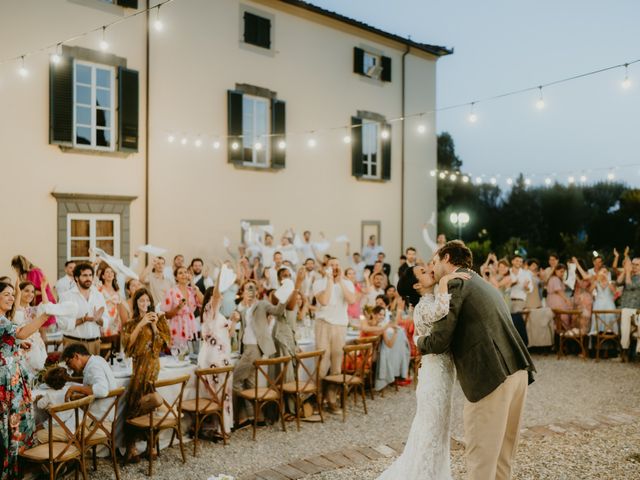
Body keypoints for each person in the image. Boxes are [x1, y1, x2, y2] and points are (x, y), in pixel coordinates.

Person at [414, 241, 535, 480]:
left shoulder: (456, 283)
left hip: (492, 378)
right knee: (501, 459)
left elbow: (439, 341)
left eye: (435, 261)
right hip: (517, 371)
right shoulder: (482, 282)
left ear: (447, 258)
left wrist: (418, 341)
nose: (432, 267)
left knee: (481, 461)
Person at [377, 262, 469, 479]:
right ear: (417, 285)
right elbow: (441, 311)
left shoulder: (430, 299)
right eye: (423, 272)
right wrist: (446, 282)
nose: (430, 270)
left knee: (439, 430)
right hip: (434, 377)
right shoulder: (423, 307)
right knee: (431, 431)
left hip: (443, 374)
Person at [0, 280, 50, 479]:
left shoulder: (3, 318)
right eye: (7, 294)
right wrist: (45, 315)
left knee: (16, 420)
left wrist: (17, 347)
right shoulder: (1, 319)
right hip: (6, 379)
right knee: (10, 421)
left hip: (13, 374)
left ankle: (18, 465)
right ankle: (11, 469)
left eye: (13, 294)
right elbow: (20, 332)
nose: (12, 298)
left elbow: (9, 340)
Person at [121, 288, 171, 462]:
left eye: (146, 301)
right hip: (139, 368)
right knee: (135, 406)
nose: (144, 304)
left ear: (150, 302)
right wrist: (141, 324)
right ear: (136, 303)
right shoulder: (131, 323)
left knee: (153, 409)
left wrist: (155, 326)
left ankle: (151, 446)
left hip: (153, 367)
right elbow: (127, 347)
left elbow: (164, 344)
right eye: (141, 301)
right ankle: (131, 447)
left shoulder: (159, 319)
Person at [232, 280, 285, 424]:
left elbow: (278, 311)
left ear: (257, 291)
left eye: (252, 288)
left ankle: (243, 417)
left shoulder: (262, 304)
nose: (249, 291)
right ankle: (257, 417)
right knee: (250, 383)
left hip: (254, 348)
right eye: (246, 289)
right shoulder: (243, 309)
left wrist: (283, 298)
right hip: (246, 348)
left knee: (235, 381)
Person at [313, 257, 356, 413]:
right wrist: (330, 280)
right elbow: (324, 301)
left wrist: (341, 281)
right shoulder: (318, 283)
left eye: (337, 264)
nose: (335, 267)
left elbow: (351, 300)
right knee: (322, 363)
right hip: (323, 324)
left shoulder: (347, 283)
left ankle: (331, 400)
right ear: (326, 267)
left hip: (340, 325)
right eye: (332, 265)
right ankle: (317, 400)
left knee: (337, 363)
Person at [198, 282, 235, 438]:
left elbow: (229, 334)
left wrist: (234, 320)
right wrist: (221, 275)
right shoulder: (209, 310)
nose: (221, 297)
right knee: (218, 393)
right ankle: (220, 427)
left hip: (223, 356)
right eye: (218, 295)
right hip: (213, 357)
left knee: (224, 392)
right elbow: (217, 296)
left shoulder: (218, 315)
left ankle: (223, 427)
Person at [60, 343, 117, 435]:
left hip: (98, 423)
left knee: (45, 434)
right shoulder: (97, 359)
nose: (69, 367)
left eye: (68, 363)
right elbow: (90, 381)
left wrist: (74, 388)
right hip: (104, 417)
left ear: (76, 356)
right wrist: (71, 380)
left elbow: (102, 390)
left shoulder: (93, 367)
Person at [58, 262, 109, 355]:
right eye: (85, 275)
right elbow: (61, 323)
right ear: (76, 278)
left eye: (90, 275)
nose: (88, 278)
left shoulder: (99, 295)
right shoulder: (67, 296)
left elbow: (107, 320)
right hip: (74, 344)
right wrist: (82, 320)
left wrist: (99, 320)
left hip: (95, 344)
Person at [11, 255, 57, 331]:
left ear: (20, 266)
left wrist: (21, 292)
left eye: (16, 267)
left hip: (43, 301)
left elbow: (37, 290)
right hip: (38, 303)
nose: (16, 270)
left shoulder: (34, 272)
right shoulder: (32, 272)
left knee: (41, 329)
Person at [11, 281, 48, 374]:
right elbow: (14, 316)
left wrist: (43, 289)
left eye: (32, 292)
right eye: (26, 291)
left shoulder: (35, 309)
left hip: (37, 344)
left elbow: (47, 307)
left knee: (37, 373)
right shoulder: (14, 309)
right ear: (20, 291)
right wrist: (17, 293)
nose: (30, 294)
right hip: (22, 344)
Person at [162, 266, 203, 347]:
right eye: (180, 273)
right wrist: (178, 307)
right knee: (178, 353)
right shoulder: (171, 292)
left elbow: (203, 302)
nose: (183, 275)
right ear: (176, 278)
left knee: (191, 353)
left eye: (185, 272)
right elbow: (166, 316)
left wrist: (193, 283)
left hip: (191, 324)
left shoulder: (192, 290)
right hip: (176, 326)